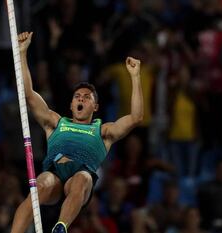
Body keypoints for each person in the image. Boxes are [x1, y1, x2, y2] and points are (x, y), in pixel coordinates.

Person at [10, 32, 144, 233]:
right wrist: (21, 53)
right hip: (55, 173)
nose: (81, 99)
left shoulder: (102, 130)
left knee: (82, 178)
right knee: (41, 185)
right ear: (71, 104)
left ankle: (60, 227)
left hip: (80, 181)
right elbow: (28, 95)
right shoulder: (56, 122)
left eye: (87, 97)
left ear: (95, 106)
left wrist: (135, 77)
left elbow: (136, 117)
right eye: (77, 96)